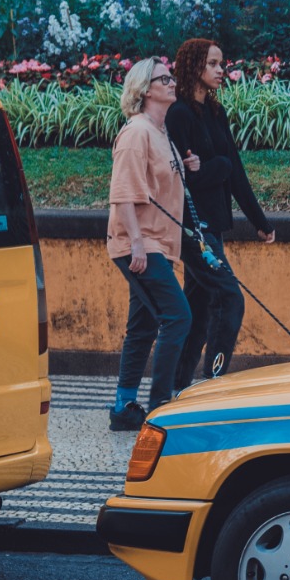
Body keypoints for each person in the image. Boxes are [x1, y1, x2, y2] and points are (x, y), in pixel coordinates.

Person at [166, 38, 275, 388]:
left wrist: (259, 220)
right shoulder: (178, 113)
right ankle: (213, 383)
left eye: (221, 64)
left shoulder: (215, 112)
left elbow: (235, 170)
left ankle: (175, 387)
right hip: (192, 228)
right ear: (194, 66)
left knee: (198, 310)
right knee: (229, 299)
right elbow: (183, 177)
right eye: (213, 64)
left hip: (213, 226)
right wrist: (219, 166)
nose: (220, 71)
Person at [107, 57, 194, 431]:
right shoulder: (136, 133)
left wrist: (188, 165)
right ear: (145, 90)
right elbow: (122, 195)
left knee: (143, 326)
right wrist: (138, 244)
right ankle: (160, 405)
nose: (172, 82)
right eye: (164, 78)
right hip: (140, 246)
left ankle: (123, 406)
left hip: (157, 243)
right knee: (178, 317)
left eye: (171, 77)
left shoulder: (160, 132)